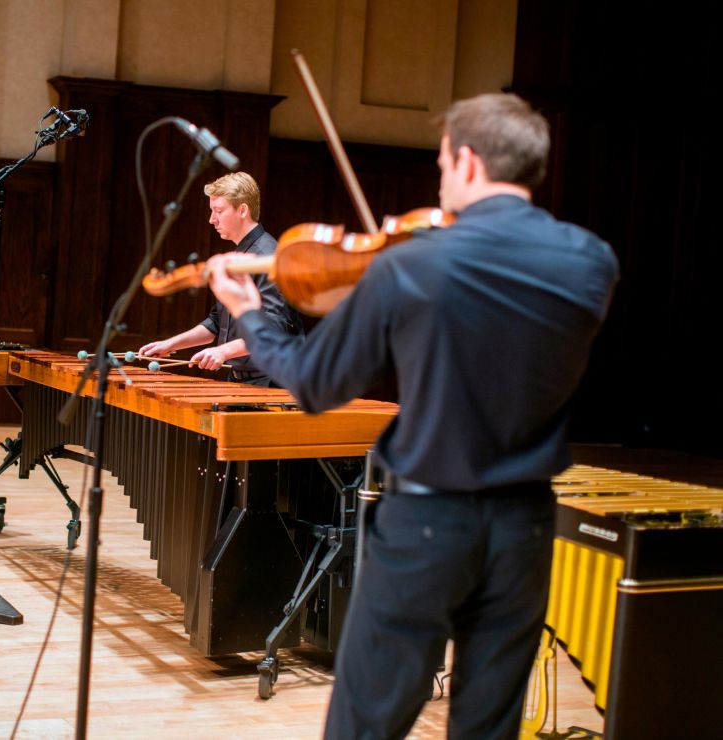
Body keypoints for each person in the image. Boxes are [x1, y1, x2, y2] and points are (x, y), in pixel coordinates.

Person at [207, 94, 619, 738]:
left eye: (442, 164)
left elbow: (315, 384)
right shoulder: (591, 262)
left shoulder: (415, 262)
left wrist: (250, 313)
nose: (440, 179)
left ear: (468, 160)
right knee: (489, 725)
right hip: (526, 525)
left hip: (428, 520)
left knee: (367, 720)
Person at [139, 172, 301, 386]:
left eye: (218, 211)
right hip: (239, 379)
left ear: (242, 210)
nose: (211, 219)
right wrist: (170, 344)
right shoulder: (237, 258)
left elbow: (275, 329)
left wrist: (224, 351)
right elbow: (216, 324)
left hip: (272, 383)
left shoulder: (267, 258)